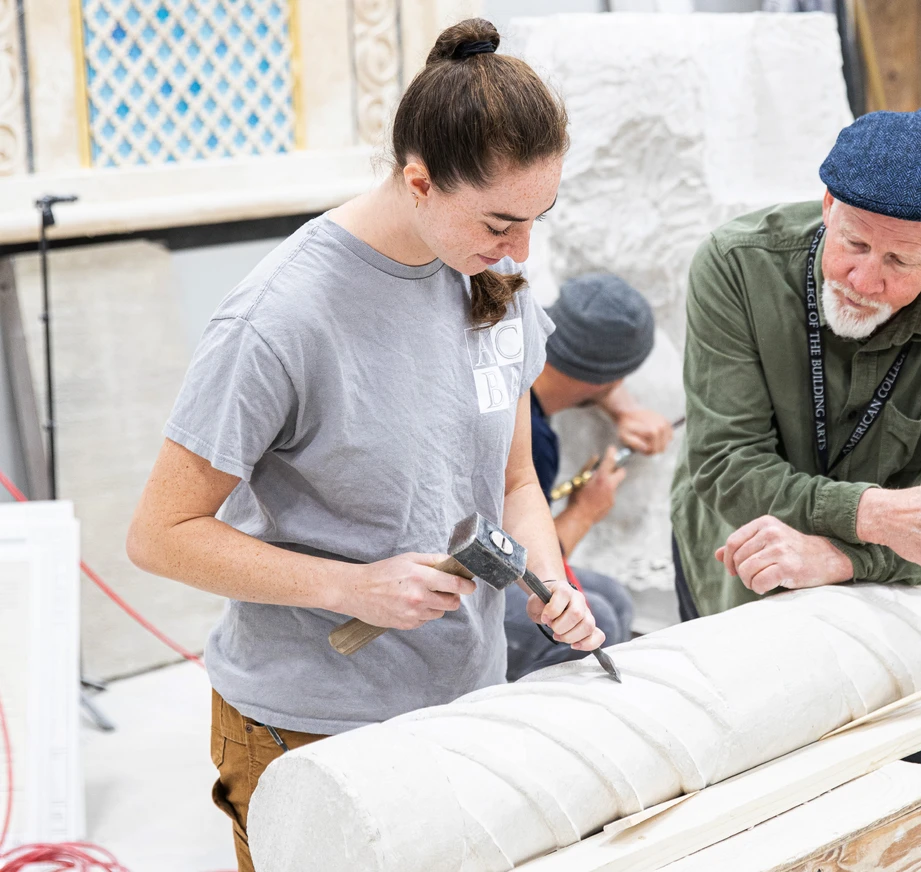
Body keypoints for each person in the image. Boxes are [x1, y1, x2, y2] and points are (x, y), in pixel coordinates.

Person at [126, 20, 603, 871]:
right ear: (418, 182)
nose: (522, 248)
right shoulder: (281, 318)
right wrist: (351, 586)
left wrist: (550, 581)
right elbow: (160, 536)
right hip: (308, 726)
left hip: (461, 700)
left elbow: (516, 480)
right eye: (501, 220)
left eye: (540, 217)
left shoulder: (491, 276)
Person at [670, 108, 921, 770]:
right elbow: (726, 465)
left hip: (884, 573)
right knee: (748, 770)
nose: (864, 281)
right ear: (829, 206)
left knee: (902, 776)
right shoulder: (737, 266)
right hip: (736, 541)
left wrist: (849, 556)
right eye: (855, 245)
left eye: (899, 260)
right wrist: (875, 514)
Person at [505, 273, 674, 679]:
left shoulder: (512, 364)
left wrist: (622, 408)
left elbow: (591, 378)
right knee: (603, 622)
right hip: (472, 590)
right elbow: (520, 562)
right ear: (610, 378)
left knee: (613, 597)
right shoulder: (535, 442)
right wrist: (585, 510)